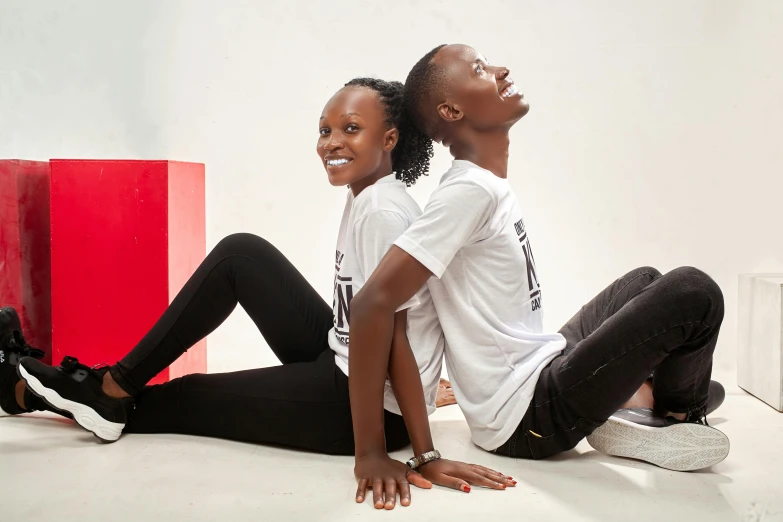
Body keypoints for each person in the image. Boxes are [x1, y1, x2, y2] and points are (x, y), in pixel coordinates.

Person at [3, 77, 513, 508]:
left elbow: (395, 336)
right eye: (325, 130)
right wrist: (425, 387)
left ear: (391, 139)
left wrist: (389, 449)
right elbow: (387, 327)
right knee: (241, 255)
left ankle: (58, 392)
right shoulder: (369, 196)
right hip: (345, 359)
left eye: (351, 130)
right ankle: (104, 388)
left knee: (190, 397)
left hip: (359, 407)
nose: (331, 142)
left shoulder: (383, 211)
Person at [347, 44, 730, 503]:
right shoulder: (466, 193)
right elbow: (372, 302)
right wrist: (375, 450)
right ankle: (675, 420)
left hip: (540, 365)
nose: (500, 68)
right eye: (479, 69)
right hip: (525, 416)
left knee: (644, 281)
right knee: (694, 292)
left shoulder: (483, 184)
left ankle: (632, 409)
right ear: (451, 109)